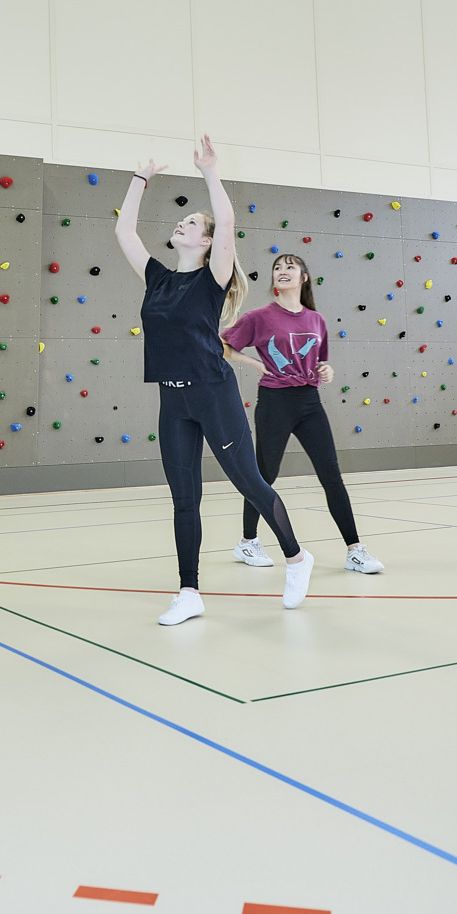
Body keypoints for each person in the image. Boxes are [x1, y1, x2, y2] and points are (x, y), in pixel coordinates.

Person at [114, 138, 313, 624]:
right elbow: (124, 230)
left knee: (248, 481)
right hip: (172, 398)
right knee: (184, 498)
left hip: (212, 393)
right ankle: (189, 592)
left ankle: (295, 556)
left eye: (190, 224)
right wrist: (140, 180)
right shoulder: (157, 278)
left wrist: (209, 172)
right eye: (181, 222)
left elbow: (226, 223)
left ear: (204, 242)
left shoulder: (213, 277)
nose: (181, 225)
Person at [222, 253, 383, 575]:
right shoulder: (260, 317)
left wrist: (326, 369)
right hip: (275, 402)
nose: (282, 271)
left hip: (310, 403)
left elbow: (321, 361)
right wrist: (254, 363)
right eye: (277, 268)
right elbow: (223, 344)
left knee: (332, 477)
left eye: (289, 267)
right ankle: (247, 541)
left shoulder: (316, 320)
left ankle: (355, 550)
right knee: (264, 476)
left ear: (303, 277)